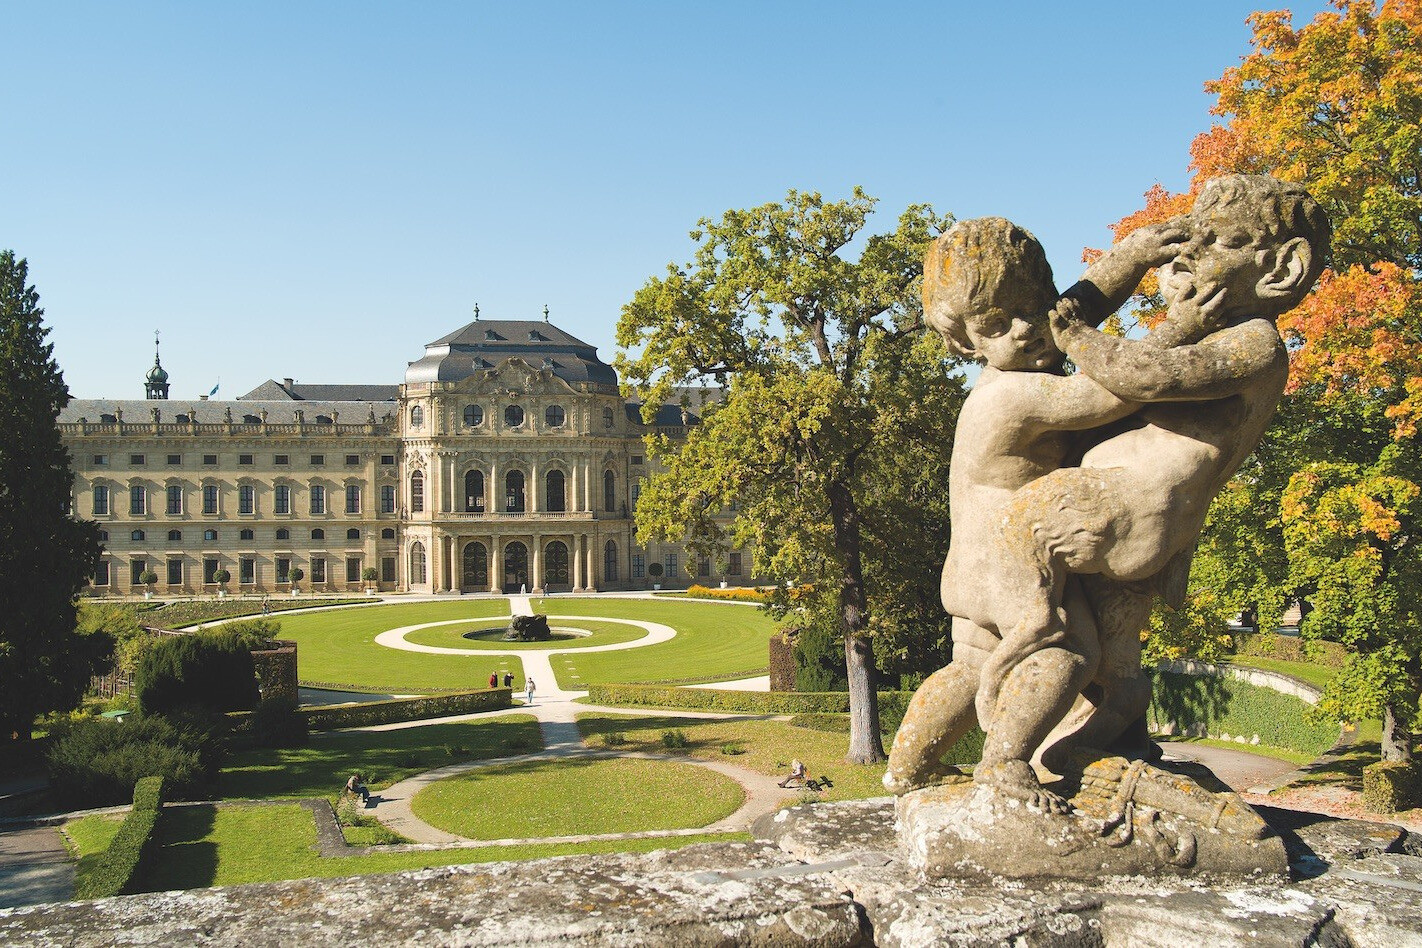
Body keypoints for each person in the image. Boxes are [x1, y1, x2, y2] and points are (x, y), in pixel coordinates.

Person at [885, 177, 1328, 810]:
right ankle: (1004, 763)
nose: (1029, 330)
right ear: (965, 342)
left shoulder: (1017, 363)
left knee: (972, 662)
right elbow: (1113, 388)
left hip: (983, 557)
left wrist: (1134, 254)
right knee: (1066, 652)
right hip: (1009, 550)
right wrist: (1180, 325)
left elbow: (1075, 310)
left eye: (1035, 309)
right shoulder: (1012, 396)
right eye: (998, 324)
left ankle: (907, 770)